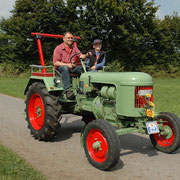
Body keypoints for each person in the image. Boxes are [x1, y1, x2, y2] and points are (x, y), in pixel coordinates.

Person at [53, 32, 89, 100]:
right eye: (68, 38)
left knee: (85, 68)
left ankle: (81, 88)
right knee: (65, 68)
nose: (70, 39)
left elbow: (81, 55)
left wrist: (87, 55)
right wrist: (67, 65)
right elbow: (55, 62)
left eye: (71, 38)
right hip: (60, 69)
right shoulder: (58, 48)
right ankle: (67, 91)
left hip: (72, 68)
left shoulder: (74, 48)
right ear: (64, 39)